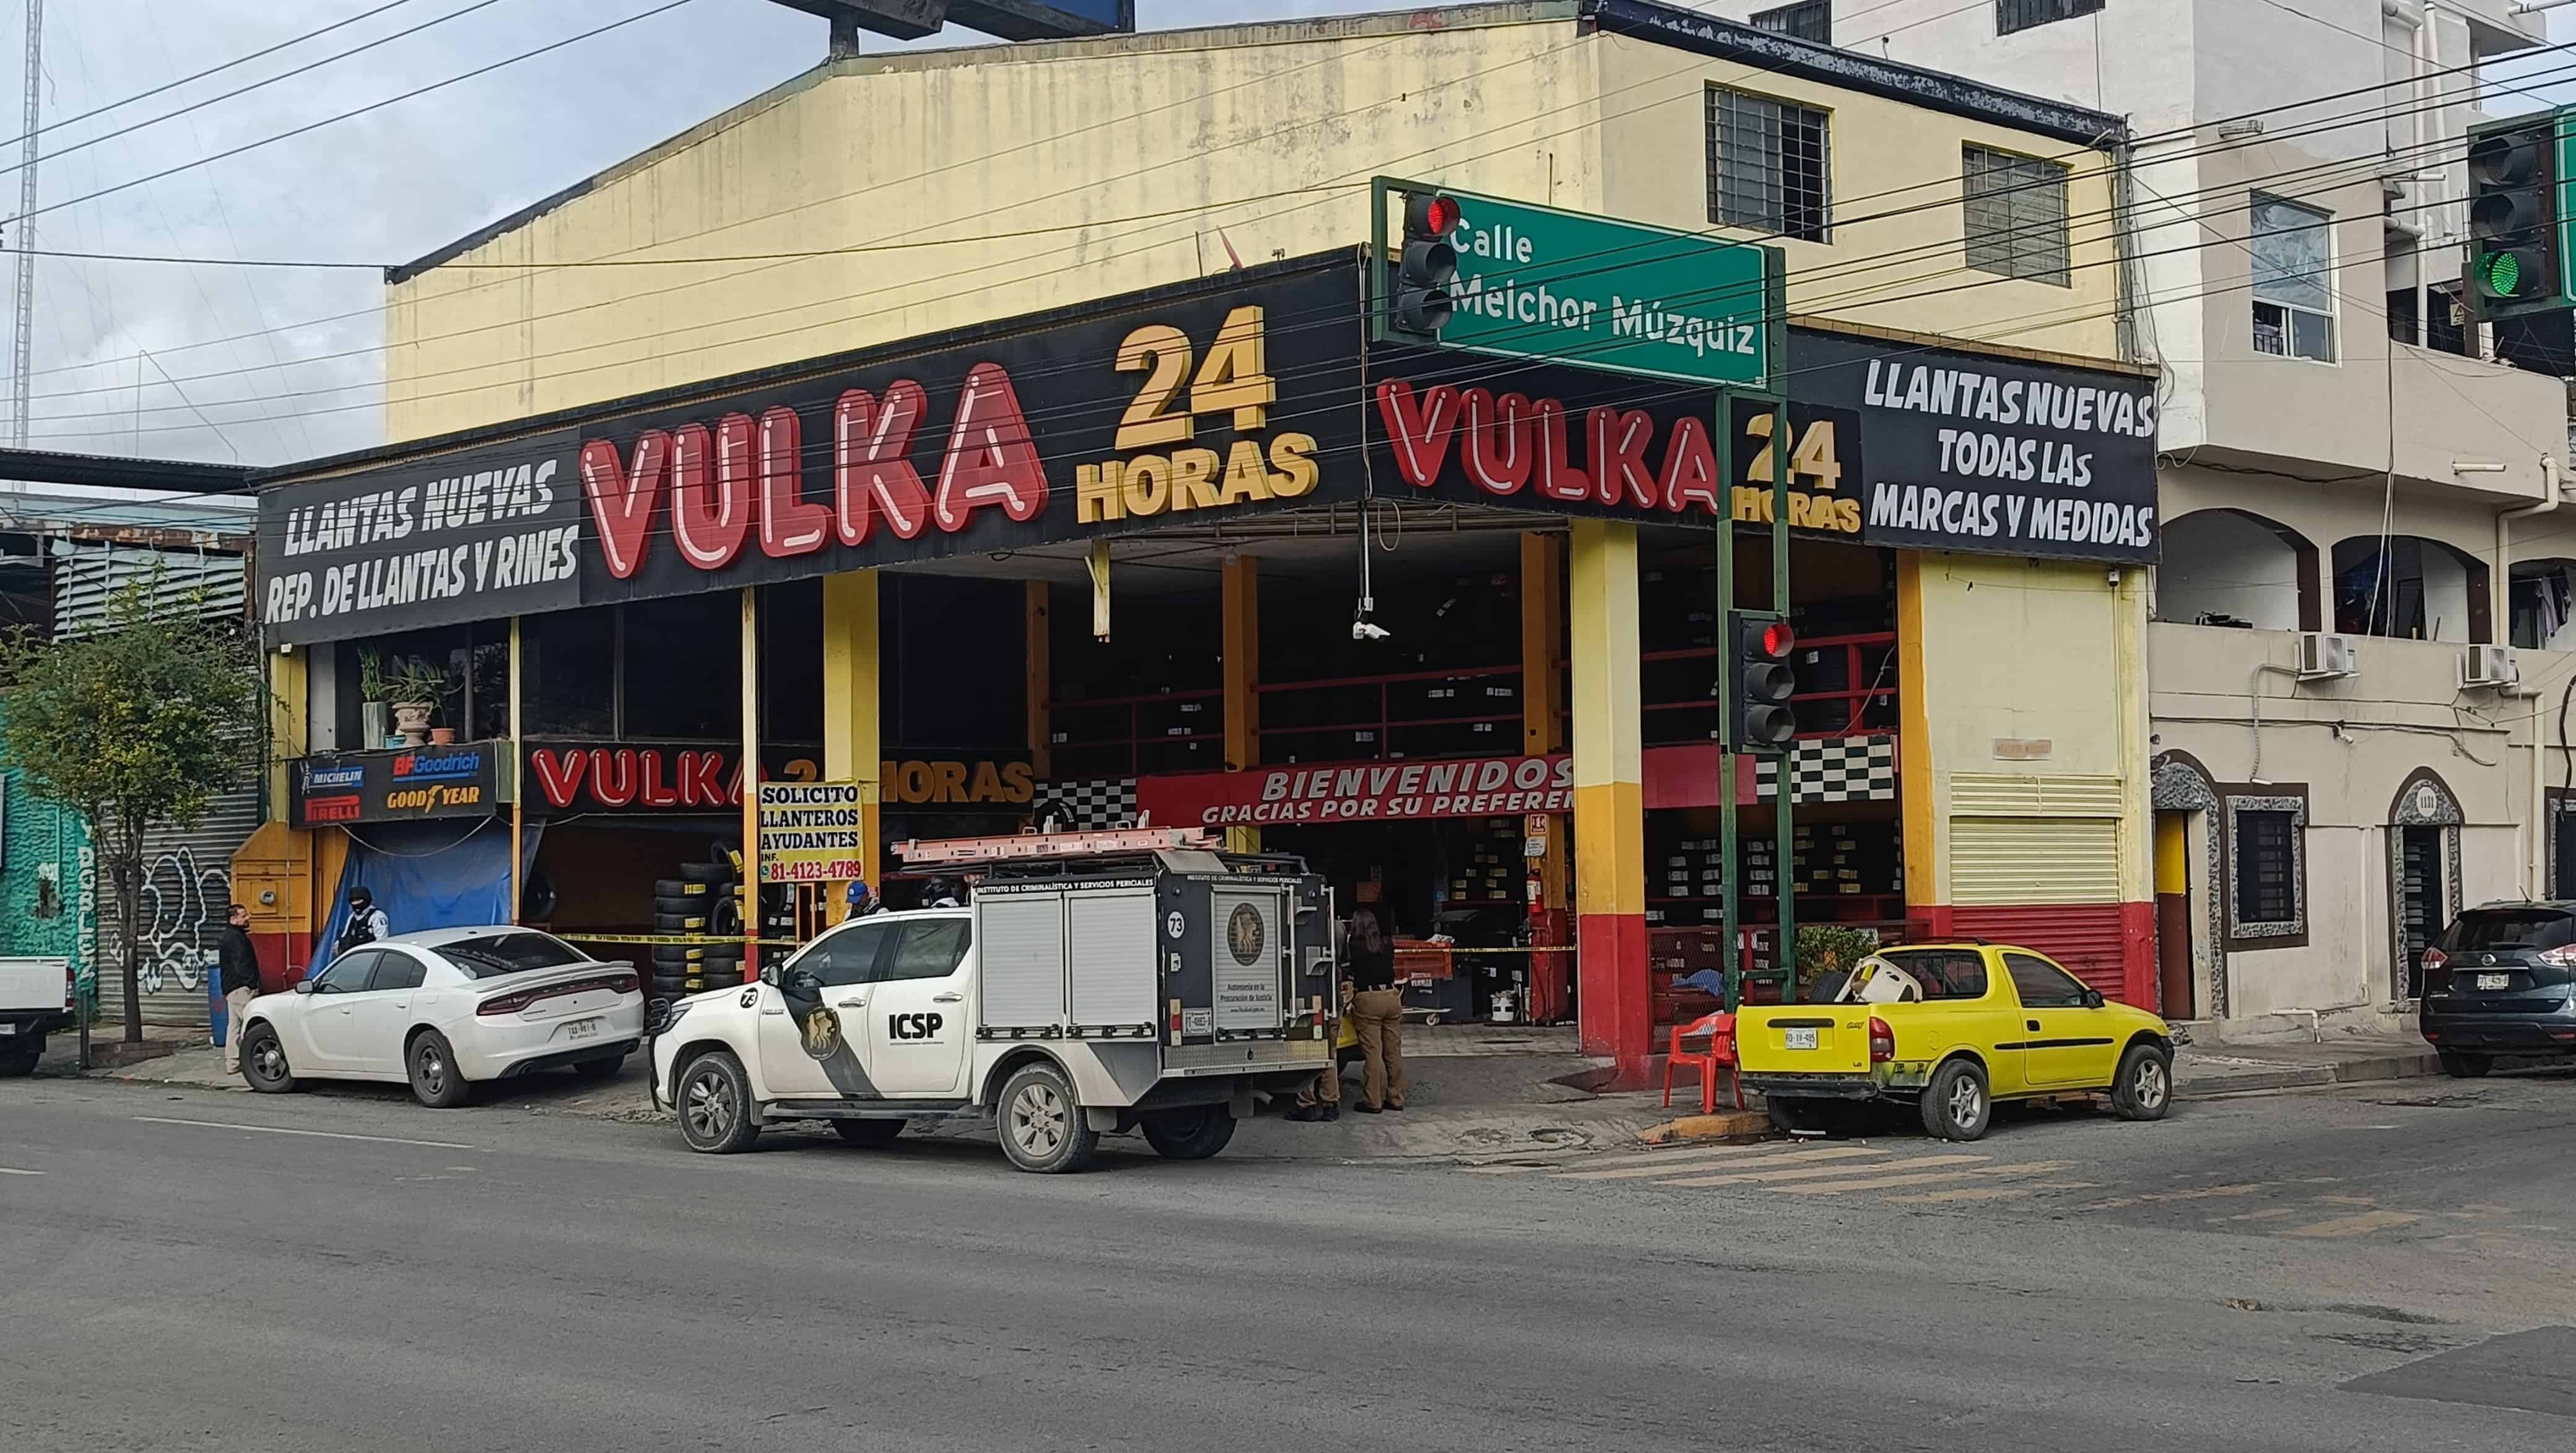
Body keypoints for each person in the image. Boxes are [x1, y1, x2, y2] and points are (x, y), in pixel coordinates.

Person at [1345, 907, 1405, 1114]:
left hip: (1368, 999)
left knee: (1373, 1052)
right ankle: (1396, 1098)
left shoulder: (1354, 945)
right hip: (1391, 997)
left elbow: (1349, 968)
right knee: (1393, 1051)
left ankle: (1374, 1101)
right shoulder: (1387, 944)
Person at [217, 904, 261, 1076]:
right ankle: (250, 1060)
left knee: (234, 1026)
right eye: (243, 915)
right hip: (241, 988)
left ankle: (233, 1062)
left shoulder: (231, 936)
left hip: (233, 988)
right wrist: (251, 984)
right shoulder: (236, 938)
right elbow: (241, 963)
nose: (247, 918)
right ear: (233, 919)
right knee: (251, 1024)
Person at [337, 886, 390, 954]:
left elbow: (382, 942)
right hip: (352, 957)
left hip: (369, 957)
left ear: (367, 900)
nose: (355, 903)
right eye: (353, 901)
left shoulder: (377, 916)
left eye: (358, 900)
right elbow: (344, 937)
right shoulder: (352, 917)